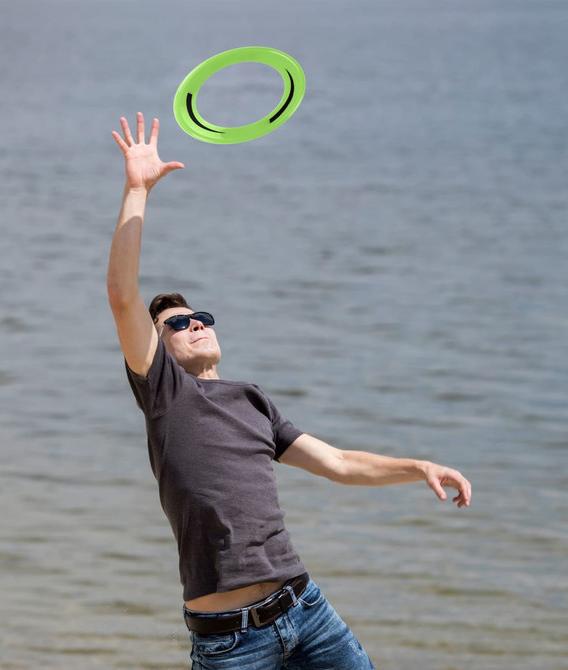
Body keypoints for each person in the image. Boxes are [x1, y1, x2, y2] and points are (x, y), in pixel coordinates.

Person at [107, 113, 472, 670]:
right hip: (230, 642)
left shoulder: (251, 400)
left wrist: (417, 465)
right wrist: (137, 189)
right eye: (176, 324)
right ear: (156, 349)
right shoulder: (164, 394)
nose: (194, 324)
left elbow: (340, 463)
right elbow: (122, 295)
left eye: (200, 316)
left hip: (306, 611)